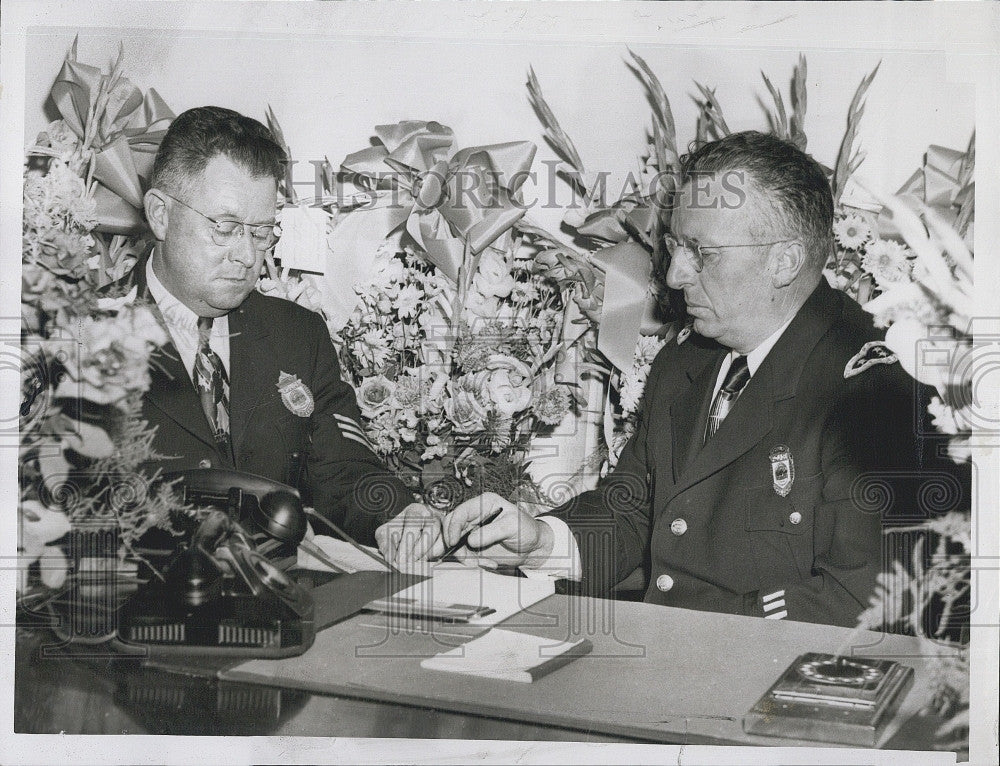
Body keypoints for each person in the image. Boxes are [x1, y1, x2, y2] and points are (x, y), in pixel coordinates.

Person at [380, 131, 953, 629]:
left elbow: (865, 601)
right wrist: (542, 539)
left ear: (785, 260)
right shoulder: (690, 360)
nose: (677, 276)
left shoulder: (877, 389)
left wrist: (672, 639)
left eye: (702, 254)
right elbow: (634, 508)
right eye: (676, 246)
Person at [114, 105, 433, 545]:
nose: (247, 256)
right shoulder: (75, 337)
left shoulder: (297, 336)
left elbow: (343, 470)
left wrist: (397, 516)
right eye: (225, 228)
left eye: (262, 232)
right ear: (160, 214)